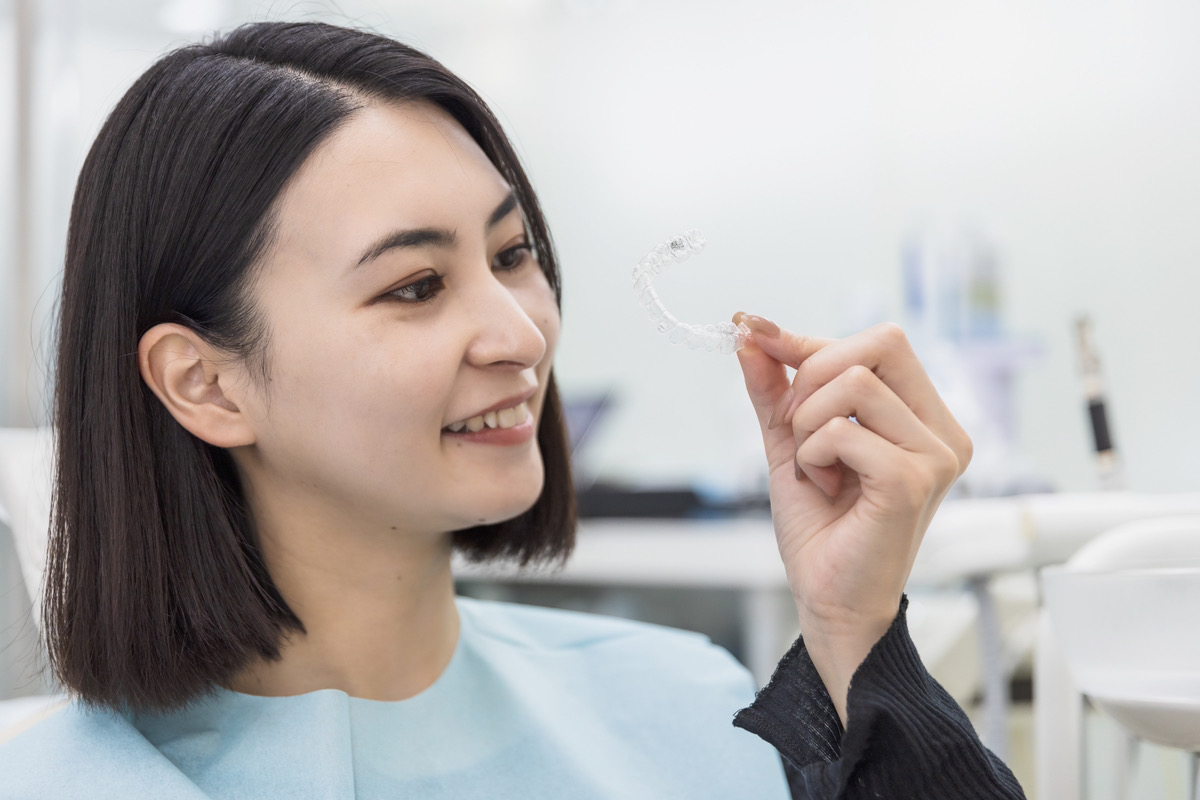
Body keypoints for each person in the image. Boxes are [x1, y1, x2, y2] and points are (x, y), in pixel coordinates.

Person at [0, 21, 1025, 799]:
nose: (522, 332)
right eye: (414, 285)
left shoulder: (689, 705)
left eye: (511, 254)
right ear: (203, 381)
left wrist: (856, 631)